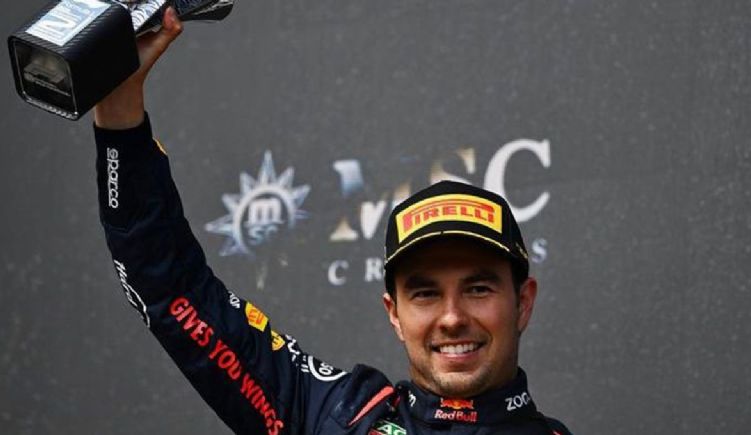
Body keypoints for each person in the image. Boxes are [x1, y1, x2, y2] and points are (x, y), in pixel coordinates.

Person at [93, 7, 572, 435]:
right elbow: (173, 290)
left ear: (523, 302)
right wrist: (118, 106)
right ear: (394, 313)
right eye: (425, 293)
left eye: (478, 288)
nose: (451, 318)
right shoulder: (337, 415)